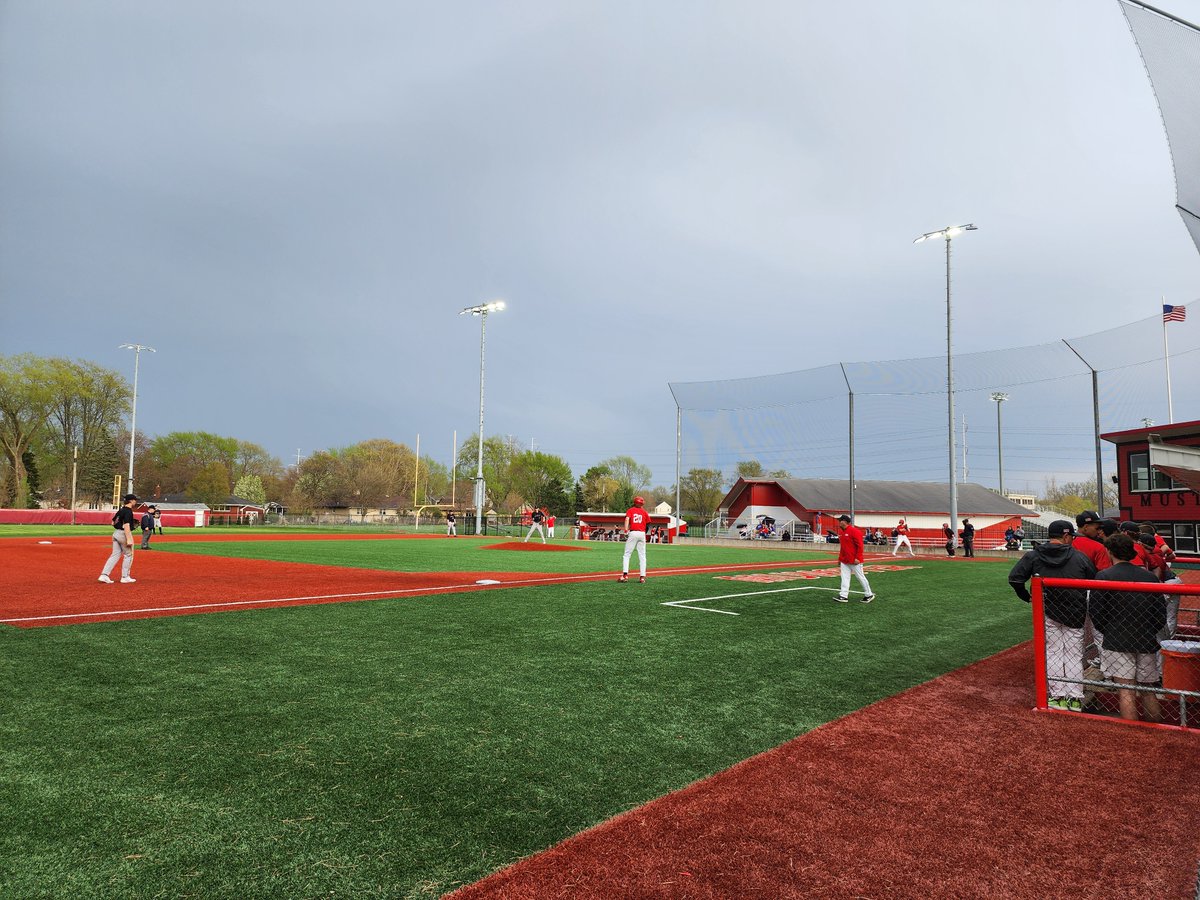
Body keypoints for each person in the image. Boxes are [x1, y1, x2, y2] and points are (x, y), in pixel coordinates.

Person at [1008, 520, 1097, 711]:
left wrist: (1027, 596)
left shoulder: (1034, 555)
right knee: (1073, 654)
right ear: (1065, 536)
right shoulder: (1079, 557)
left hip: (1047, 609)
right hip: (1075, 612)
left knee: (1054, 652)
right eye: (1071, 536)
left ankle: (1057, 697)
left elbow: (1015, 578)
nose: (1073, 540)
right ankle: (1074, 698)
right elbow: (1095, 581)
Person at [1089, 533, 1165, 722]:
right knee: (1148, 690)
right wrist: (1149, 630)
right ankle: (1156, 731)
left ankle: (1131, 734)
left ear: (1109, 551)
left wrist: (1110, 631)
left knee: (1126, 691)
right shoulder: (1148, 577)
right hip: (1145, 637)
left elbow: (1097, 613)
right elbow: (1160, 613)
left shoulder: (1104, 576)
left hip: (1118, 639)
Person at [99, 493, 140, 584]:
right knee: (128, 555)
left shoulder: (121, 510)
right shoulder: (128, 511)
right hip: (123, 534)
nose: (135, 501)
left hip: (116, 533)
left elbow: (113, 522)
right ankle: (125, 576)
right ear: (131, 501)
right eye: (135, 500)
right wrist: (129, 539)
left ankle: (104, 575)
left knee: (115, 555)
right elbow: (126, 525)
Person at [834, 514, 875, 604]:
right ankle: (843, 595)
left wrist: (858, 558)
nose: (839, 522)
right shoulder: (842, 532)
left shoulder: (854, 531)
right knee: (844, 578)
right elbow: (843, 547)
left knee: (860, 577)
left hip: (854, 560)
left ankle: (869, 594)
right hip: (845, 560)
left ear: (844, 521)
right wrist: (840, 559)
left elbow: (860, 546)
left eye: (840, 520)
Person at [618, 496, 650, 583]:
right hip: (642, 534)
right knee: (642, 556)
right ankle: (642, 577)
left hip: (633, 533)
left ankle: (625, 575)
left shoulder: (631, 510)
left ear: (635, 502)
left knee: (627, 554)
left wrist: (625, 531)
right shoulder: (644, 512)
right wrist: (643, 533)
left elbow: (627, 519)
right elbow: (648, 525)